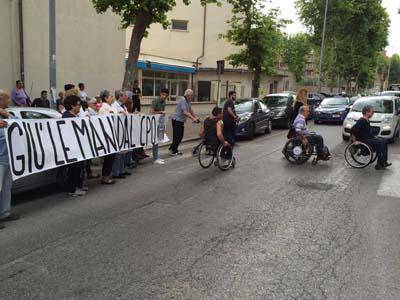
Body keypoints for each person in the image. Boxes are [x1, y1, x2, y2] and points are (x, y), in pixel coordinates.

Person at [0, 89, 20, 229]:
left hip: (8, 158)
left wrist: (9, 116)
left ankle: (4, 213)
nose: (8, 101)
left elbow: (21, 126)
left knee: (6, 187)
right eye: (6, 99)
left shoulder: (8, 114)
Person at [351, 105, 391, 170]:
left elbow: (367, 132)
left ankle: (382, 162)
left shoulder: (367, 120)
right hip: (365, 141)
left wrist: (374, 136)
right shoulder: (362, 120)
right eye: (372, 112)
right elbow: (353, 130)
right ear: (367, 112)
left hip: (369, 139)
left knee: (384, 141)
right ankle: (381, 163)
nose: (373, 113)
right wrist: (355, 141)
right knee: (381, 142)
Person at [61, 95, 87, 196]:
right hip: (72, 148)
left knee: (79, 167)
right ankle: (73, 189)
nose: (80, 107)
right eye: (78, 105)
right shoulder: (67, 117)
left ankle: (78, 185)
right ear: (72, 106)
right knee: (74, 168)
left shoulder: (74, 116)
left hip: (78, 146)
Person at [169, 89, 200, 156]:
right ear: (188, 95)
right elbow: (185, 112)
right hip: (177, 120)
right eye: (192, 95)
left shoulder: (187, 101)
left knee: (180, 136)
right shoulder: (183, 100)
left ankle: (173, 148)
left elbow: (190, 110)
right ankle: (173, 150)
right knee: (177, 136)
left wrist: (195, 117)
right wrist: (193, 119)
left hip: (180, 120)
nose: (192, 97)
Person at [98, 90, 117, 184]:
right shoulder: (103, 109)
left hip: (113, 134)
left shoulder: (111, 107)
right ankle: (105, 176)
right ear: (105, 98)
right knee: (109, 157)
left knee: (112, 156)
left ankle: (108, 174)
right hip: (107, 135)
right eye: (111, 96)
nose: (112, 98)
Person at [111, 90, 131, 178]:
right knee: (118, 154)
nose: (126, 97)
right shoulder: (114, 106)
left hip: (124, 130)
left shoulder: (123, 106)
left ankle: (122, 170)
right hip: (118, 131)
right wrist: (119, 114)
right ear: (120, 97)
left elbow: (126, 115)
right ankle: (116, 172)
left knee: (123, 152)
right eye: (125, 96)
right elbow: (114, 116)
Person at [150, 88, 169, 165]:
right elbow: (151, 112)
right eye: (163, 95)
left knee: (157, 140)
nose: (164, 97)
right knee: (155, 141)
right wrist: (160, 112)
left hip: (159, 123)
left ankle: (156, 157)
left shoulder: (164, 102)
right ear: (160, 93)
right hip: (153, 122)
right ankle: (155, 158)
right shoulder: (155, 100)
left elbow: (162, 114)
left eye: (166, 96)